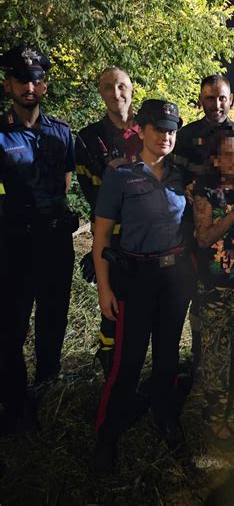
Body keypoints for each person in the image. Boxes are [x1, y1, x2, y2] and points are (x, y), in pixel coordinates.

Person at [92, 99, 195, 474]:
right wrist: (105, 289)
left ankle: (164, 415)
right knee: (128, 361)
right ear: (143, 130)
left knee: (167, 354)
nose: (166, 135)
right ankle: (106, 435)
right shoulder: (121, 175)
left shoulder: (180, 175)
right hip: (135, 278)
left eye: (171, 129)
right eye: (159, 128)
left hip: (173, 278)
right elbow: (101, 233)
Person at [0, 44, 77, 435]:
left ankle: (47, 381)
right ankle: (14, 400)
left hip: (54, 241)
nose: (29, 86)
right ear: (8, 84)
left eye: (36, 79)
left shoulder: (62, 133)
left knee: (53, 317)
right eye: (21, 79)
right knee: (11, 324)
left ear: (44, 86)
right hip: (14, 242)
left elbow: (64, 183)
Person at [75, 66, 141, 376]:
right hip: (112, 239)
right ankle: (108, 359)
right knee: (112, 305)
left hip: (149, 237)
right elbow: (94, 198)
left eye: (122, 86)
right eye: (108, 87)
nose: (116, 93)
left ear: (133, 88)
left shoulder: (152, 130)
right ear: (100, 93)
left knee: (142, 306)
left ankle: (135, 364)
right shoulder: (88, 139)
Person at [173, 74, 234, 369]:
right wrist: (185, 189)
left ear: (231, 99)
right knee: (196, 294)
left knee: (225, 295)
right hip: (191, 230)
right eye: (210, 98)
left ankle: (225, 355)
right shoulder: (185, 136)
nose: (216, 104)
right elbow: (172, 177)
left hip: (229, 232)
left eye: (222, 98)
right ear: (201, 100)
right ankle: (197, 354)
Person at [193, 126, 234, 451]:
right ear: (216, 160)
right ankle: (213, 415)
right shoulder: (206, 193)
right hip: (216, 291)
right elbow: (203, 238)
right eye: (228, 155)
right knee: (216, 353)